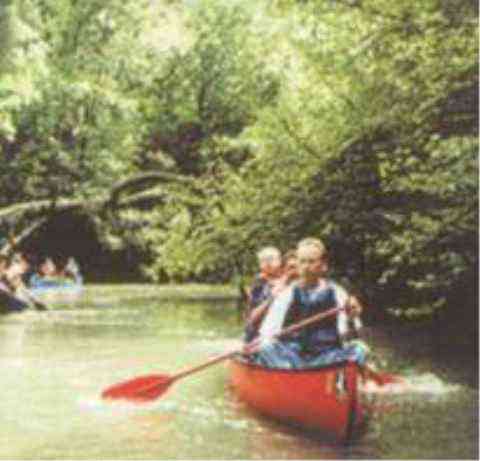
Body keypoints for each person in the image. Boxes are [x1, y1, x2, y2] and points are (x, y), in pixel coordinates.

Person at [247, 237, 368, 371]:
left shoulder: (338, 293)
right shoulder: (287, 294)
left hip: (325, 356)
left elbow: (350, 336)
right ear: (297, 264)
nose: (306, 266)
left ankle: (307, 375)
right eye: (302, 261)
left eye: (311, 261)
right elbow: (267, 334)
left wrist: (351, 319)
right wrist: (261, 345)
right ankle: (292, 375)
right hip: (292, 358)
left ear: (323, 265)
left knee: (359, 349)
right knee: (265, 347)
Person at [243, 246, 283, 342]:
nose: (268, 263)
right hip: (259, 325)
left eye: (271, 259)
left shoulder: (287, 279)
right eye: (264, 260)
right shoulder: (259, 282)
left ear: (280, 261)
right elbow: (252, 308)